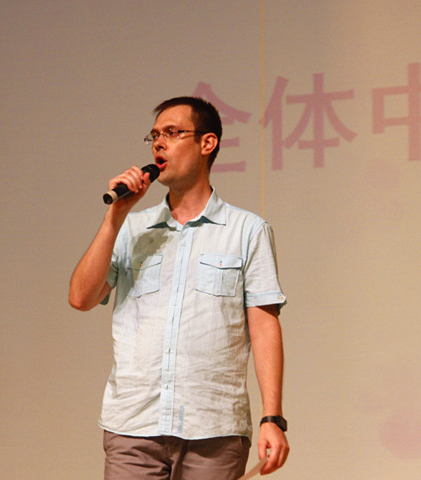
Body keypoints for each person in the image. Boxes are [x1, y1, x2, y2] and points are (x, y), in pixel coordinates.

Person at [69, 96, 289, 479]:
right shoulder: (132, 228)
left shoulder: (247, 230)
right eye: (154, 135)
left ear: (207, 143)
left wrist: (273, 418)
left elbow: (264, 326)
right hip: (133, 426)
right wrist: (114, 217)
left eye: (172, 133)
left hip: (213, 428)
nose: (159, 143)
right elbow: (81, 298)